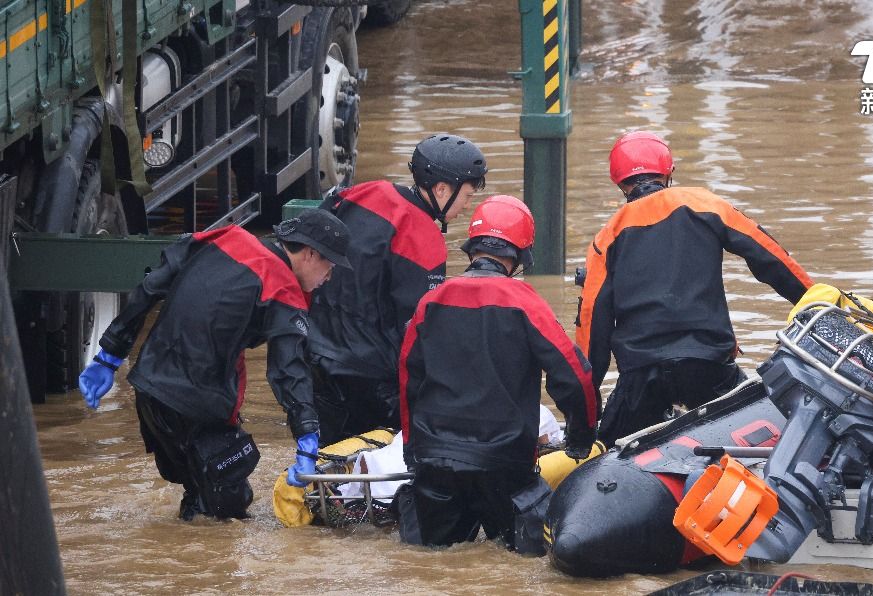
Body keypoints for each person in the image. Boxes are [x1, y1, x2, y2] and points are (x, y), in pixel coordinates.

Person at [78, 210, 352, 521]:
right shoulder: (281, 288)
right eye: (329, 267)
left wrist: (109, 356)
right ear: (310, 253)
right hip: (199, 408)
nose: (328, 278)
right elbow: (288, 370)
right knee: (225, 515)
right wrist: (307, 436)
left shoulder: (225, 237)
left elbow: (151, 286)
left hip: (149, 393)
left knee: (197, 496)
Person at [576, 131, 814, 447]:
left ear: (618, 183)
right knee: (766, 439)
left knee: (606, 453)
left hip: (641, 374)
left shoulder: (606, 237)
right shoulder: (705, 204)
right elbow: (771, 258)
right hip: (708, 363)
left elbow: (592, 326)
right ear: (668, 173)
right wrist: (816, 303)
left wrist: (585, 414)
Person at [396, 195, 599, 555]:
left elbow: (408, 378)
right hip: (503, 464)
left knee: (431, 563)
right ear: (519, 255)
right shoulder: (524, 302)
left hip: (436, 460)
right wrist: (581, 437)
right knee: (520, 563)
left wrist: (413, 449)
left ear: (473, 248)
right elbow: (574, 374)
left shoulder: (432, 301)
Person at [308, 133, 488, 445]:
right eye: (468, 196)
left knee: (327, 464)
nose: (467, 207)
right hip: (370, 376)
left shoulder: (365, 192)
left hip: (317, 356)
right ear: (442, 189)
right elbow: (420, 327)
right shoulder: (424, 239)